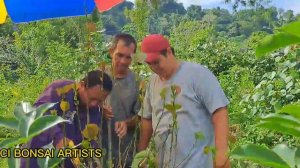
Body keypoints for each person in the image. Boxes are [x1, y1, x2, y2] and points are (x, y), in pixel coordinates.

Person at [138, 34, 230, 168]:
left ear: (169, 52)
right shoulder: (153, 82)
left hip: (197, 162)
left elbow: (219, 111)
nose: (154, 68)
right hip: (164, 162)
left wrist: (221, 152)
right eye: (149, 64)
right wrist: (141, 153)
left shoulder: (197, 74)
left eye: (156, 62)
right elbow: (146, 118)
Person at [21, 70, 122, 168]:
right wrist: (58, 137)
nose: (94, 104)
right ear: (82, 85)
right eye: (92, 98)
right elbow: (38, 114)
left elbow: (89, 143)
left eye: (100, 101)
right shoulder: (61, 89)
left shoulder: (96, 111)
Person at [101, 33, 141, 167]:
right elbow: (82, 107)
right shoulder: (98, 77)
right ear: (111, 52)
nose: (123, 61)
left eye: (128, 57)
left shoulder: (137, 82)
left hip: (127, 153)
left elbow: (143, 118)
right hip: (100, 152)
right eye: (119, 55)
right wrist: (99, 110)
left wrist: (126, 123)